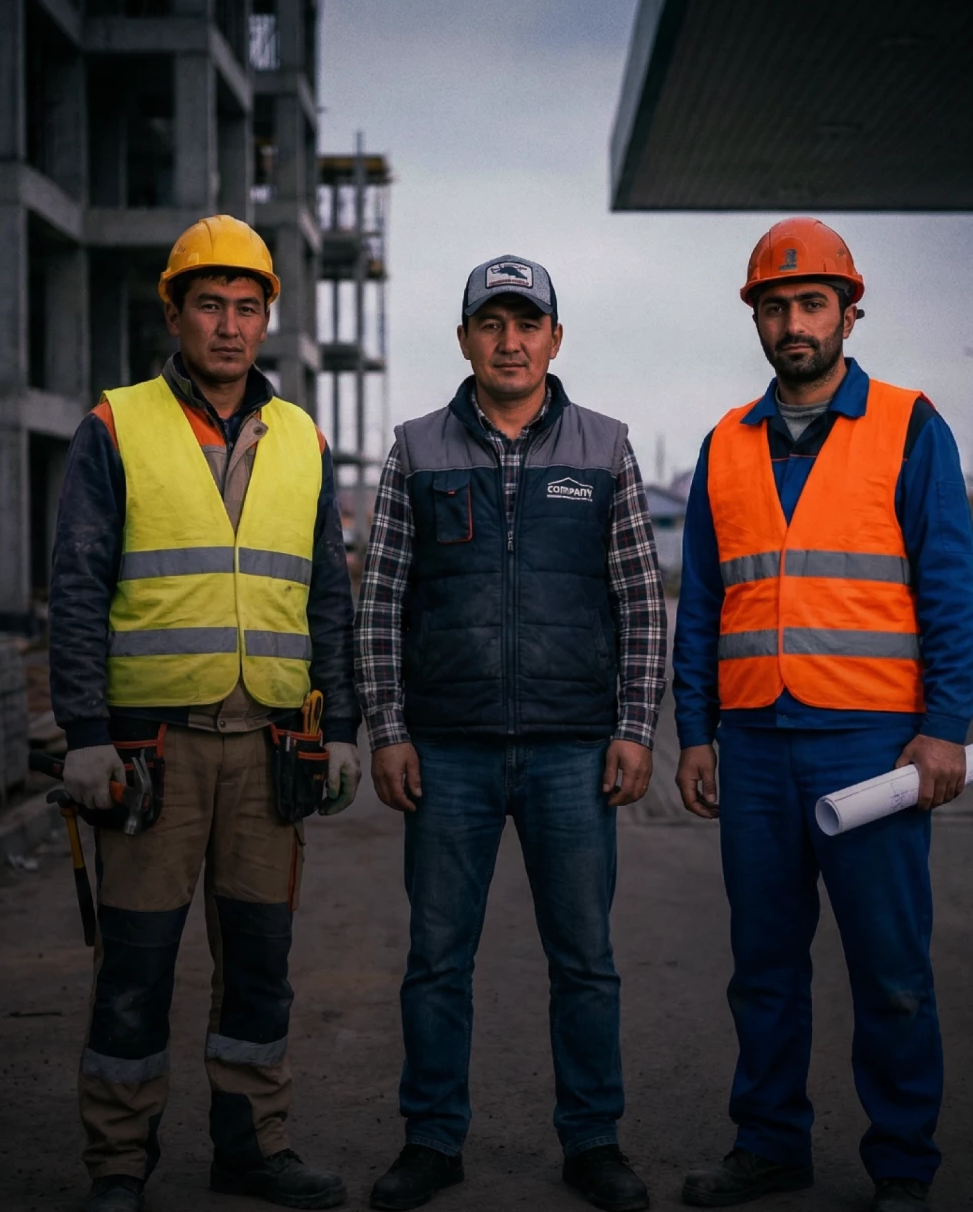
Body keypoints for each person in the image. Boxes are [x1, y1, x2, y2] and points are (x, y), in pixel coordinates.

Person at [49, 214, 360, 1212]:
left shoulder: (304, 438)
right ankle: (116, 1163)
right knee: (135, 967)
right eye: (210, 305)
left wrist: (342, 725)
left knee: (259, 968)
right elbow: (79, 583)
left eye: (247, 307)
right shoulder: (116, 424)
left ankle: (251, 1148)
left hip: (269, 748)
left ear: (268, 319)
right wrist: (86, 733)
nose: (229, 326)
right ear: (175, 313)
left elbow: (328, 596)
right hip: (154, 753)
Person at [673, 219, 973, 1211]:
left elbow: (951, 590)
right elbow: (703, 605)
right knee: (764, 966)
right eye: (776, 305)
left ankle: (902, 1164)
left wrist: (945, 726)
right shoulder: (726, 444)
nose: (793, 321)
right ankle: (770, 1142)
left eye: (812, 303)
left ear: (850, 310)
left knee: (891, 969)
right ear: (756, 318)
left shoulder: (909, 425)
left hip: (872, 746)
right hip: (757, 743)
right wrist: (694, 730)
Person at [355, 256, 667, 1212]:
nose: (510, 340)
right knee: (438, 960)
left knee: (585, 959)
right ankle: (433, 1139)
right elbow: (380, 601)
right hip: (446, 751)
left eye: (527, 323)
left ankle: (593, 1141)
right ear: (464, 341)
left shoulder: (605, 445)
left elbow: (641, 600)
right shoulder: (416, 450)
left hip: (575, 749)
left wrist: (636, 726)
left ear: (555, 339)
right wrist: (387, 729)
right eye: (490, 324)